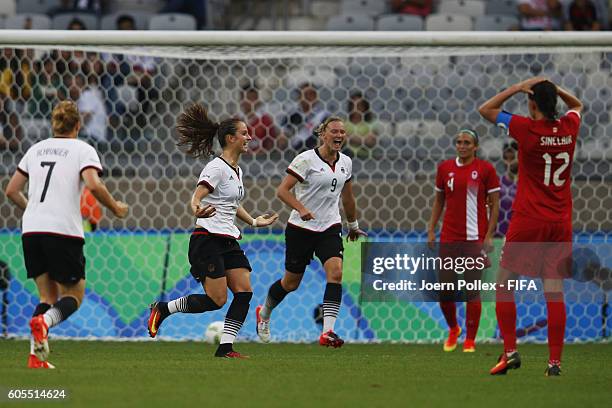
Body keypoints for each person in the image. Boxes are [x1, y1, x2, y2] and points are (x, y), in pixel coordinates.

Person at [4, 100, 128, 369]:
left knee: (46, 298)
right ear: (78, 125)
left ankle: (35, 358)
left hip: (31, 230)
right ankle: (45, 322)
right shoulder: (83, 149)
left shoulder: (35, 150)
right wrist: (116, 207)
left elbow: (12, 190)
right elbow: (94, 185)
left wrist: (35, 209)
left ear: (54, 123)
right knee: (74, 296)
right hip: (62, 231)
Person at [147, 103, 278, 358]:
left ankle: (225, 348)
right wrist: (196, 208)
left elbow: (231, 204)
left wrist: (253, 221)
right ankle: (163, 308)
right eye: (244, 133)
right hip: (206, 239)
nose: (249, 137)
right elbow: (198, 195)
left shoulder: (237, 170)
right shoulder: (216, 168)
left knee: (244, 292)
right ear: (231, 138)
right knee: (216, 300)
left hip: (227, 239)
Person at [479, 77, 583, 376]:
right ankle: (554, 364)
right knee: (554, 291)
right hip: (560, 221)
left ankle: (510, 352)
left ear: (532, 103)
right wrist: (552, 88)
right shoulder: (569, 127)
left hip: (529, 221)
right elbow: (577, 105)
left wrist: (517, 87)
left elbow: (485, 109)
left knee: (503, 284)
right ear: (555, 104)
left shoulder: (525, 128)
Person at [255, 117, 367, 347]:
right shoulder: (306, 159)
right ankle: (264, 312)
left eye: (342, 132)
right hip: (301, 229)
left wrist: (353, 225)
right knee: (290, 283)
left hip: (329, 227)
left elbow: (348, 197)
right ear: (323, 134)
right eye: (334, 131)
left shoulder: (346, 162)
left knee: (335, 273)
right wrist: (301, 209)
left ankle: (327, 332)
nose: (339, 135)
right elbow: (283, 191)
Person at [427, 129, 500, 353]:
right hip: (449, 237)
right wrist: (431, 229)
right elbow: (439, 200)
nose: (462, 145)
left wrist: (488, 235)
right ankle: (453, 328)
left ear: (475, 146)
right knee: (445, 291)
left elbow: (495, 204)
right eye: (459, 142)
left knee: (472, 290)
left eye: (467, 142)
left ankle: (470, 340)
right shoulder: (445, 169)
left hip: (474, 238)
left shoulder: (485, 170)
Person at [280, 83, 328, 151]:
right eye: (301, 94)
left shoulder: (323, 115)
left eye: (309, 94)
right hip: (294, 153)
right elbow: (283, 134)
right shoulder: (292, 114)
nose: (305, 97)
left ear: (315, 97)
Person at [345, 92, 378, 159]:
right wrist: (361, 138)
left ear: (365, 107)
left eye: (359, 105)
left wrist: (348, 136)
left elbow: (370, 142)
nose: (356, 108)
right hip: (345, 156)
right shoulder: (344, 122)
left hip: (363, 156)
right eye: (353, 105)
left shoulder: (371, 123)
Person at [496, 141, 519, 237]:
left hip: (518, 236)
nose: (509, 162)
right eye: (506, 158)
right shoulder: (498, 183)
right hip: (498, 235)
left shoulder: (526, 185)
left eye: (512, 158)